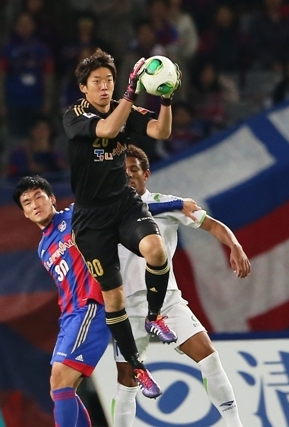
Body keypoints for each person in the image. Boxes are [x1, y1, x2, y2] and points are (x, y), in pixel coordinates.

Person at [62, 48, 180, 398]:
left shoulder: (123, 107)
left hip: (123, 204)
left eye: (109, 80)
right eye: (97, 81)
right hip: (90, 218)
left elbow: (160, 131)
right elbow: (108, 128)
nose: (104, 87)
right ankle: (137, 366)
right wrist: (129, 94)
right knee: (114, 299)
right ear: (83, 88)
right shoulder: (74, 116)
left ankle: (154, 316)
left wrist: (166, 100)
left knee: (156, 250)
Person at [111, 145, 251, 427]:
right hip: (126, 305)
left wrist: (235, 245)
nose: (128, 175)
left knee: (208, 356)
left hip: (166, 300)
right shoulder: (108, 210)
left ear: (146, 174)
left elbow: (213, 225)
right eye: (122, 171)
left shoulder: (167, 203)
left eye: (133, 169)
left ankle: (235, 423)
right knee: (127, 379)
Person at [13, 175, 110, 427]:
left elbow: (122, 205)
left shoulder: (75, 215)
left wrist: (173, 205)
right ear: (25, 213)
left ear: (52, 199)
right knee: (59, 386)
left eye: (39, 197)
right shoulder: (43, 247)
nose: (35, 204)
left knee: (60, 379)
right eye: (27, 202)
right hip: (69, 316)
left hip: (91, 307)